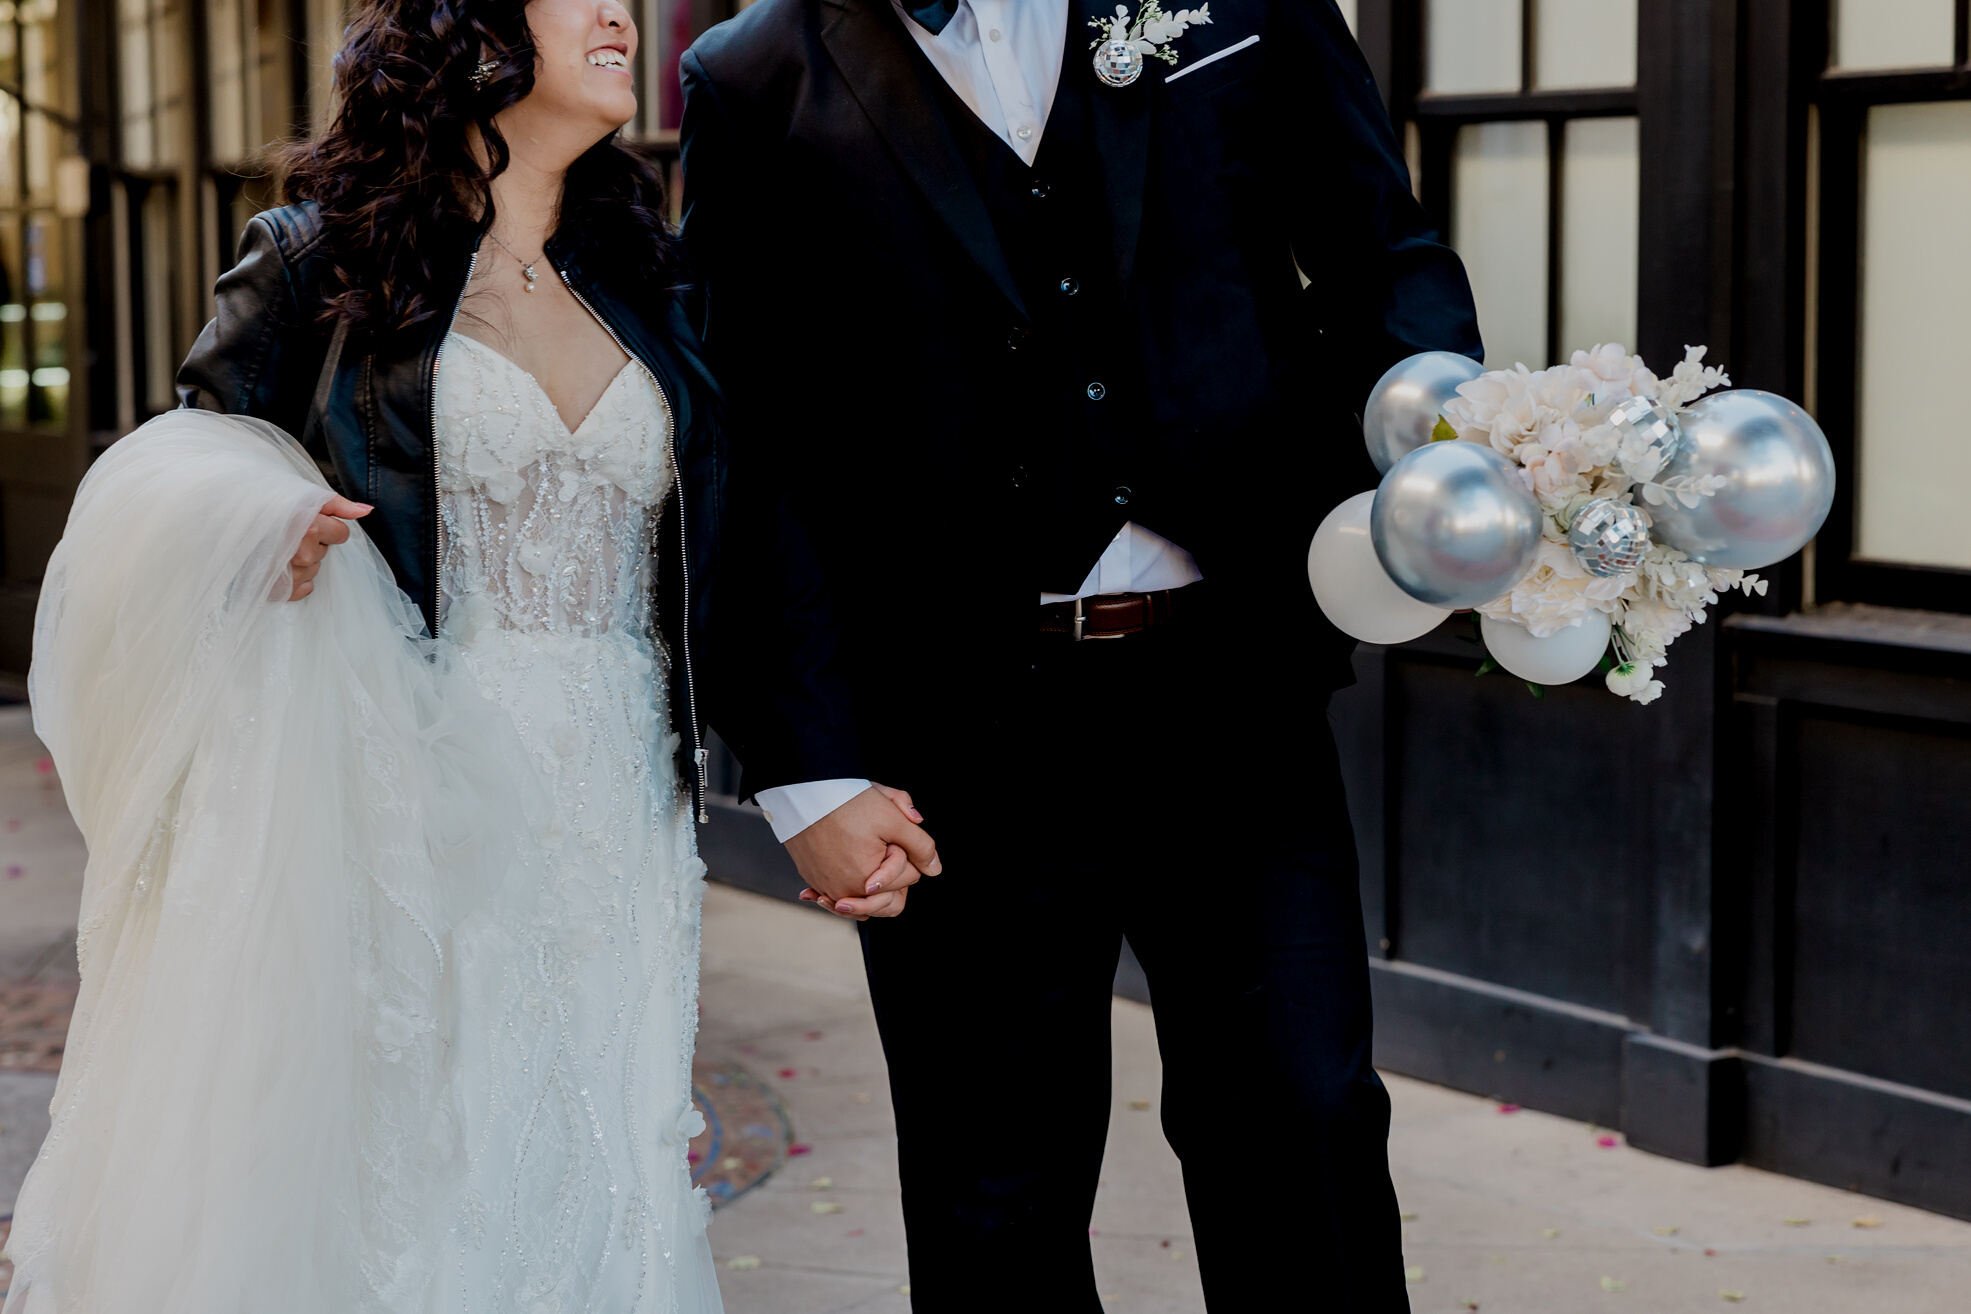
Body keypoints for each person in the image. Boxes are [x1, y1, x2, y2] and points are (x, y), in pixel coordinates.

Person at [7, 1, 944, 1310]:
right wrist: (256, 525)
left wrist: (810, 782)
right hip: (407, 796)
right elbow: (178, 465)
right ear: (474, 28)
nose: (620, 10)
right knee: (417, 1170)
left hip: (618, 806)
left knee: (602, 1154)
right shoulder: (315, 257)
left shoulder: (649, 271)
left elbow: (746, 546)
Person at [680, 0, 1482, 1308]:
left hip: (1231, 687)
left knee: (1307, 1119)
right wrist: (804, 768)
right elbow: (751, 440)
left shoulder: (1237, 4)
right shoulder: (752, 73)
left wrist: (1441, 495)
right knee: (995, 1195)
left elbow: (1383, 260)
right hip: (955, 737)